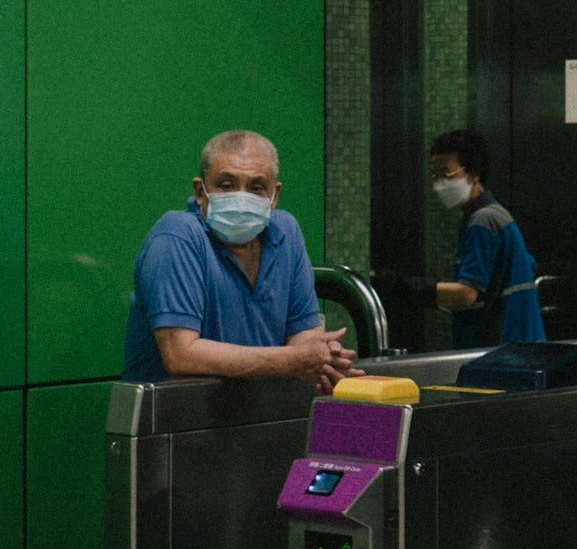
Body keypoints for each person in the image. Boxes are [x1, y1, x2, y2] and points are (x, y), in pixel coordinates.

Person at [122, 129, 358, 392]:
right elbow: (181, 355)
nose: (242, 197)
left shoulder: (286, 232)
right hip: (172, 421)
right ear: (200, 191)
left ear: (274, 196)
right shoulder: (176, 236)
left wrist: (324, 356)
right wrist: (295, 360)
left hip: (255, 415)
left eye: (256, 188)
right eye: (227, 185)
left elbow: (302, 334)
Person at [374, 128, 546, 350]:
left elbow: (466, 294)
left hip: (503, 347)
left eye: (447, 174)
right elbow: (526, 265)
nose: (439, 184)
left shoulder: (483, 221)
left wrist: (406, 288)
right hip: (521, 342)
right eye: (435, 176)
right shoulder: (496, 216)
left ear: (474, 173)